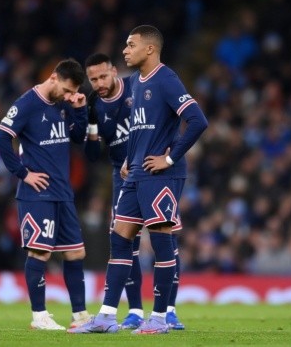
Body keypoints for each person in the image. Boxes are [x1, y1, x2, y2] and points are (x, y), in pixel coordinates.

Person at [69, 25, 208, 334]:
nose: (124, 50)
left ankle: (160, 318)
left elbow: (197, 120)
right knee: (120, 240)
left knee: (161, 244)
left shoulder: (166, 79)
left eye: (130, 45)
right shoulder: (136, 84)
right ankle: (106, 316)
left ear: (149, 49)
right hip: (135, 173)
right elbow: (140, 128)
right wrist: (131, 158)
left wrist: (170, 158)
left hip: (160, 174)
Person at [83, 53, 185, 330]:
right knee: (124, 240)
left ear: (114, 71)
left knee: (165, 236)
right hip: (122, 175)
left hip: (152, 169)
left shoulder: (137, 87)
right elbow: (92, 154)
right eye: (93, 79)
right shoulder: (94, 104)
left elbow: (167, 120)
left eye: (103, 76)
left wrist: (168, 155)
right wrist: (90, 123)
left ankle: (169, 311)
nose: (99, 83)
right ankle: (135, 312)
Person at [0, 58, 91, 330]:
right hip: (37, 194)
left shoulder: (65, 103)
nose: (70, 96)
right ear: (53, 78)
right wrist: (23, 174)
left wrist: (80, 110)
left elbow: (78, 138)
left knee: (75, 254)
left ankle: (80, 316)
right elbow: (1, 137)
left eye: (73, 92)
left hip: (63, 192)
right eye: (68, 90)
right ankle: (39, 316)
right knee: (40, 253)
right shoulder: (27, 103)